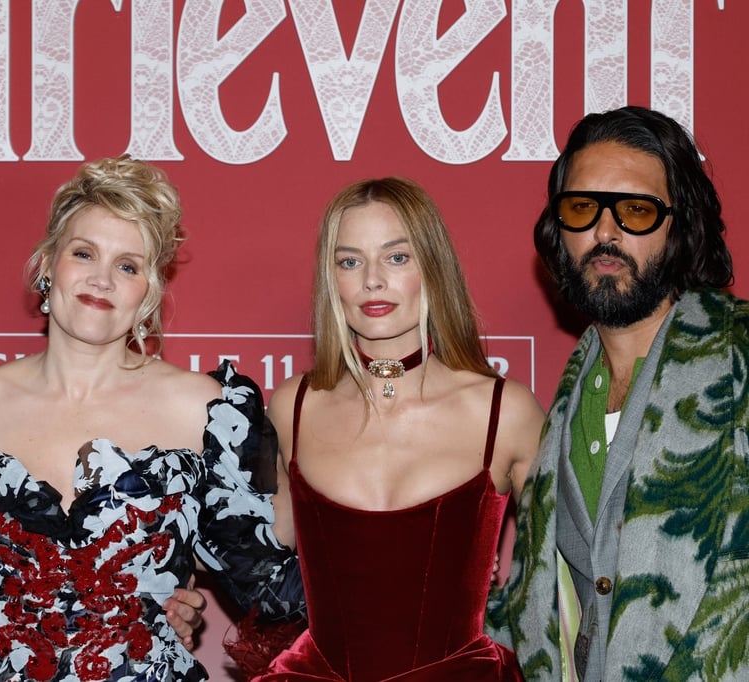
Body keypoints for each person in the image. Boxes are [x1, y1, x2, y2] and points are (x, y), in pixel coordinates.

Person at [0, 155, 304, 681]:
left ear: (149, 293)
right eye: (84, 253)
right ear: (45, 266)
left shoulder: (208, 412)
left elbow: (269, 583)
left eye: (127, 266)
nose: (101, 279)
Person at [493, 106, 748, 680]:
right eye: (582, 208)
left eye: (636, 210)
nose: (605, 233)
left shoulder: (740, 358)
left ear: (679, 227)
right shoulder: (561, 407)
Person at [253, 177, 543, 680]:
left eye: (396, 257)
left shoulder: (505, 411)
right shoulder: (292, 407)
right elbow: (257, 562)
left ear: (432, 267)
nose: (371, 280)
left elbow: (568, 577)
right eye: (349, 261)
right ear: (332, 280)